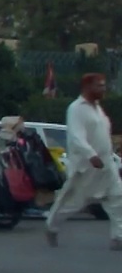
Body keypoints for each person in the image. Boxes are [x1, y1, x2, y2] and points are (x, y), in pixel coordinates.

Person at [44, 74, 122, 251]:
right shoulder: (76, 108)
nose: (103, 89)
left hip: (106, 165)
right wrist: (91, 155)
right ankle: (51, 227)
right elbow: (76, 136)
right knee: (73, 203)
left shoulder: (98, 109)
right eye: (99, 86)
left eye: (104, 86)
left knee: (118, 198)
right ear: (87, 87)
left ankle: (118, 237)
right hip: (86, 167)